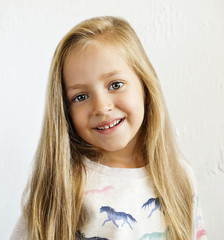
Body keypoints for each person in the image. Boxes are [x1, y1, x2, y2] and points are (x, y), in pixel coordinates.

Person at [11, 16, 207, 240]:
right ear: (65, 111)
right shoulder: (62, 189)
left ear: (145, 86)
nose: (102, 107)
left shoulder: (179, 174)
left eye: (115, 85)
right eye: (81, 96)